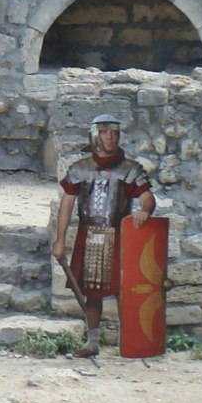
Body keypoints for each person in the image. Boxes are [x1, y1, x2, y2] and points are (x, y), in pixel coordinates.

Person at [52, 114, 154, 357]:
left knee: (124, 290)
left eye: (115, 133)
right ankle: (93, 341)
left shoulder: (130, 170)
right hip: (89, 235)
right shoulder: (80, 169)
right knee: (92, 292)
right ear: (95, 135)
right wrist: (59, 240)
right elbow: (66, 204)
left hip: (119, 235)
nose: (111, 137)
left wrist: (144, 210)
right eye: (106, 132)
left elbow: (147, 197)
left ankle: (128, 340)